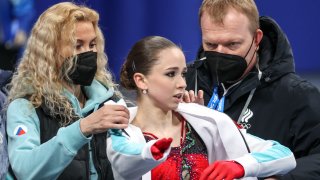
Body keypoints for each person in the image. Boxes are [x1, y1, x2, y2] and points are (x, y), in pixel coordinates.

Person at [107, 36, 296, 180]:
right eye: (171, 74)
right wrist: (150, 151)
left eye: (183, 74)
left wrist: (240, 165)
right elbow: (125, 160)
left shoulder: (205, 121)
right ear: (141, 80)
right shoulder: (121, 132)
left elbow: (284, 155)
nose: (182, 83)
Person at [185, 0, 320, 179]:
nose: (221, 53)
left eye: (232, 44)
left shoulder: (296, 95)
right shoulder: (183, 81)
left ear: (256, 39)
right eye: (210, 45)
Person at [5, 2, 130, 179]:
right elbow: (26, 171)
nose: (89, 53)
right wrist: (82, 128)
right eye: (77, 46)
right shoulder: (26, 106)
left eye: (92, 44)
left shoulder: (109, 99)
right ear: (50, 52)